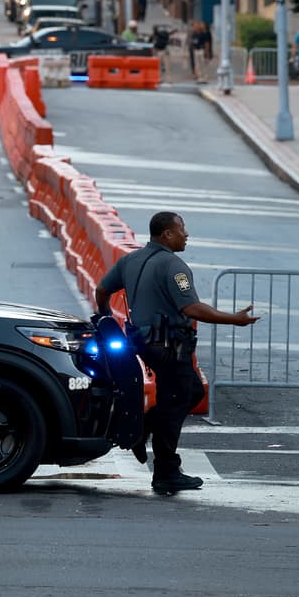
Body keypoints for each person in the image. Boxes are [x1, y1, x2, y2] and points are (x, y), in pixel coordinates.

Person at [95, 212, 259, 494]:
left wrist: (105, 314)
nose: (187, 234)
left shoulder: (130, 260)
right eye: (182, 229)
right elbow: (191, 309)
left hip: (144, 344)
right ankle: (166, 472)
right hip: (169, 347)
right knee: (176, 402)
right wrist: (235, 319)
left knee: (191, 392)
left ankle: (142, 428)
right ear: (167, 234)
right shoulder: (174, 266)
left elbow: (101, 289)